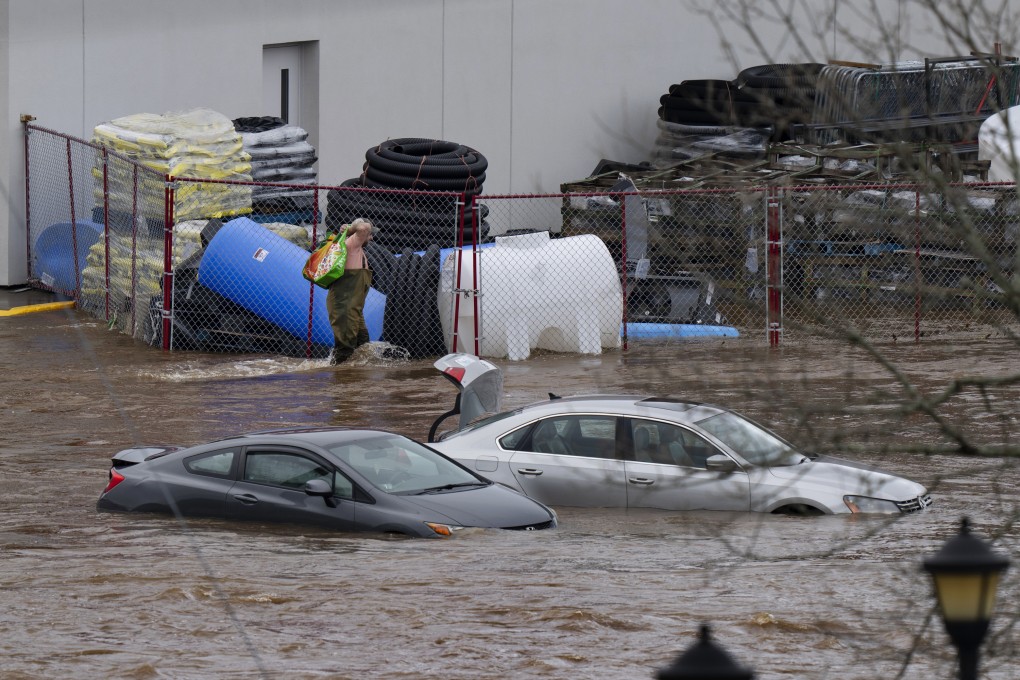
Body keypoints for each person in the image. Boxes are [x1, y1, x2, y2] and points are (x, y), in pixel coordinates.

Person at [326, 218, 375, 364]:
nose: (371, 238)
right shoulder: (352, 243)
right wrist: (350, 228)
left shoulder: (356, 248)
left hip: (354, 307)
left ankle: (355, 379)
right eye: (370, 235)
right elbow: (363, 227)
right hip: (345, 304)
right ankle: (339, 379)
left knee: (362, 342)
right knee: (345, 348)